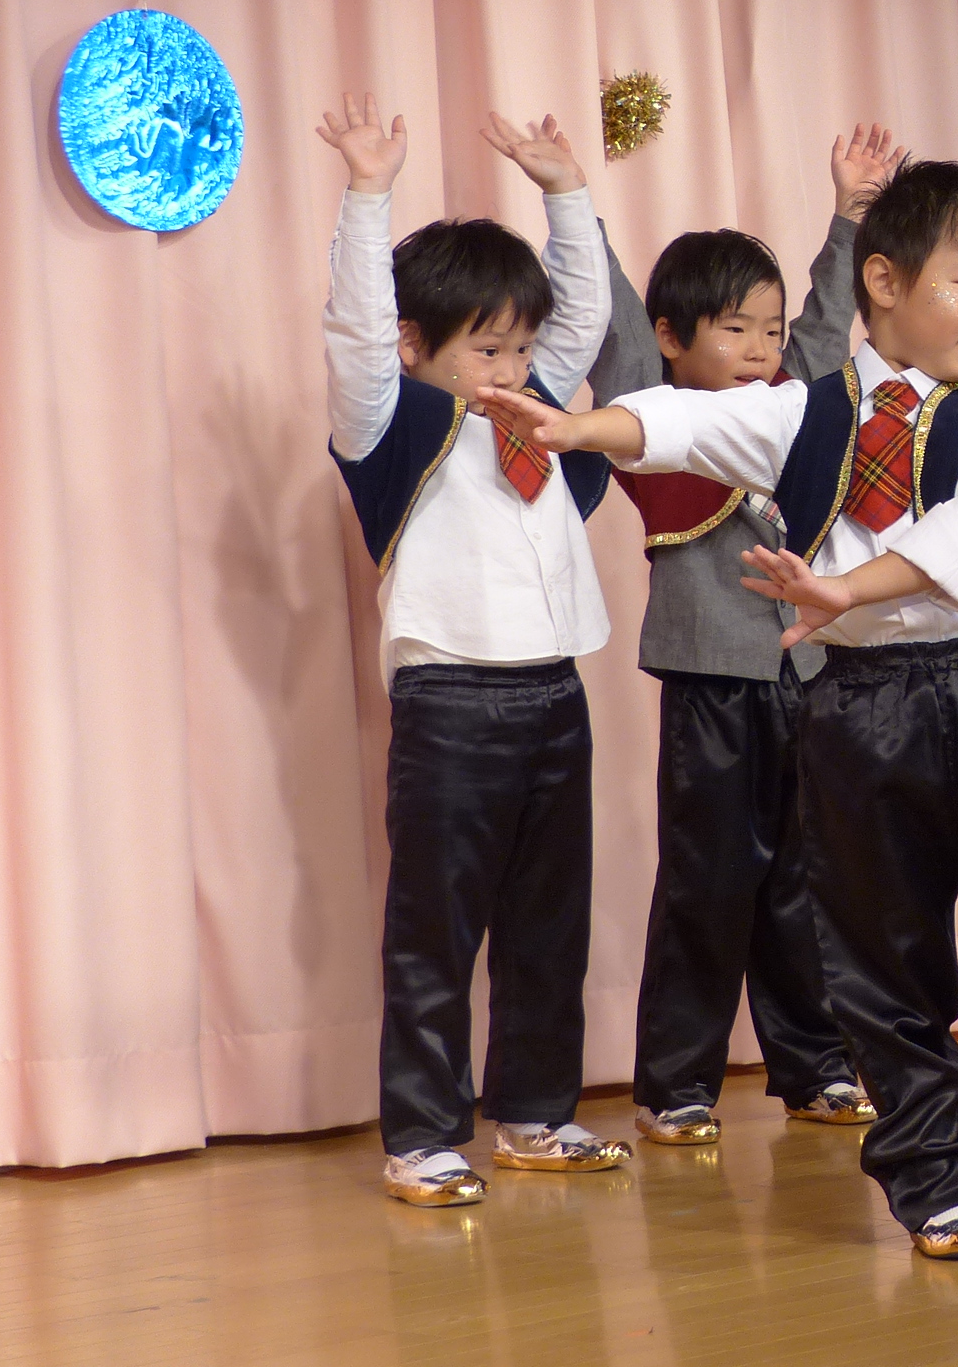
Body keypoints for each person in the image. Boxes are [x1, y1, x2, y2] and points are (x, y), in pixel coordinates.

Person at [472, 160, 958, 1261]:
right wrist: (577, 432)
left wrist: (847, 589)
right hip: (857, 709)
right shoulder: (800, 413)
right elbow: (681, 423)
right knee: (882, 956)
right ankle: (937, 1182)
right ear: (885, 281)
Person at [316, 93, 633, 1209]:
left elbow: (585, 313)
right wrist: (368, 194)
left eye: (521, 345)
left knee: (550, 923)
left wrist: (566, 191)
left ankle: (536, 1116)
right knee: (435, 932)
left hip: (556, 692)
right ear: (419, 347)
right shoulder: (388, 421)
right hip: (449, 702)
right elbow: (358, 334)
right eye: (485, 347)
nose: (513, 365)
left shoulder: (534, 412)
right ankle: (421, 1136)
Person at [589, 124, 903, 1149]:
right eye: (736, 330)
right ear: (675, 339)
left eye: (768, 330)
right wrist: (570, 201)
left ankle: (815, 1067)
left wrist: (850, 214)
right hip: (710, 678)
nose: (764, 349)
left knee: (809, 880)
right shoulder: (651, 407)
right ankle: (675, 1084)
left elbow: (827, 319)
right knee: (708, 880)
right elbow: (616, 324)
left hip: (808, 669)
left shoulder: (792, 404)